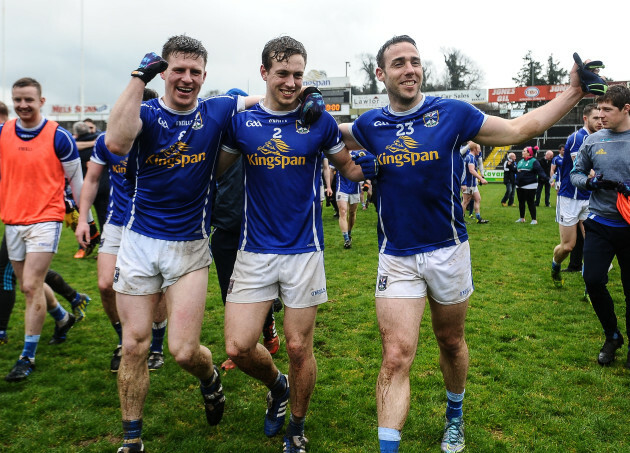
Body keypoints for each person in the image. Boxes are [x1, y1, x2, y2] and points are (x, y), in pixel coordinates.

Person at [338, 35, 596, 453]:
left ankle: (454, 416)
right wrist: (345, 157)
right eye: (399, 63)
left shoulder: (452, 113)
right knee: (396, 356)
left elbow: (518, 128)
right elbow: (325, 136)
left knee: (450, 341)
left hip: (448, 250)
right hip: (396, 257)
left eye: (415, 61)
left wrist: (573, 92)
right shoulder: (369, 126)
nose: (410, 69)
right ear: (380, 74)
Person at [104, 35, 261, 453]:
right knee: (135, 343)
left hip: (189, 248)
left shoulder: (217, 109)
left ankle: (209, 379)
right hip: (138, 242)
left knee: (183, 351)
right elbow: (117, 143)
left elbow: (272, 102)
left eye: (195, 72)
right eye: (178, 70)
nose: (187, 78)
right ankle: (132, 439)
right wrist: (139, 77)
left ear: (205, 75)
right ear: (164, 71)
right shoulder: (146, 112)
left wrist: (308, 96)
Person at [216, 35, 371, 453]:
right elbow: (213, 169)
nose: (290, 82)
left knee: (300, 347)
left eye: (298, 75)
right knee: (238, 346)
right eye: (282, 73)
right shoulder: (242, 122)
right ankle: (277, 385)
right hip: (254, 252)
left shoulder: (317, 121)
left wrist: (374, 167)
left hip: (304, 252)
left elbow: (348, 169)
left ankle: (296, 428)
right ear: (264, 72)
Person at [0, 77, 92, 382]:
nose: (23, 105)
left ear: (41, 101)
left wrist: (84, 219)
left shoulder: (59, 136)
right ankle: (62, 317)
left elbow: (78, 182)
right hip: (13, 220)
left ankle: (27, 356)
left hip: (46, 219)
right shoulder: (4, 133)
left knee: (30, 286)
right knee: (30, 284)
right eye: (18, 100)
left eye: (29, 99)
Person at [76, 88, 168, 373]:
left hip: (153, 224)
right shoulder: (108, 140)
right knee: (105, 285)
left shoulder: (164, 138)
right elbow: (91, 179)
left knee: (156, 292)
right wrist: (82, 219)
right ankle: (122, 340)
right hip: (117, 223)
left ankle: (155, 346)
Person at [210, 88, 281, 372]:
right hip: (225, 228)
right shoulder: (215, 144)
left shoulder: (259, 141)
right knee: (230, 292)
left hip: (257, 230)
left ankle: (266, 330)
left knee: (258, 291)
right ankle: (242, 345)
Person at [570, 85, 630, 368]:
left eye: (608, 110)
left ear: (626, 109)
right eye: (599, 110)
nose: (601, 115)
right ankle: (612, 335)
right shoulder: (593, 141)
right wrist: (590, 182)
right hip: (600, 223)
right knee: (593, 280)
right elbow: (575, 174)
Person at [551, 104, 602, 287]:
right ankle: (556, 265)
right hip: (569, 198)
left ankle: (591, 286)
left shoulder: (601, 138)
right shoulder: (577, 138)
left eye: (601, 117)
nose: (600, 121)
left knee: (593, 243)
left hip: (590, 198)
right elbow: (581, 170)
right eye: (596, 118)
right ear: (585, 119)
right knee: (568, 246)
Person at [335, 151, 363, 248]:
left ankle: (349, 232)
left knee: (352, 213)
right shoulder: (337, 153)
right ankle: (346, 239)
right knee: (342, 211)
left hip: (355, 187)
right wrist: (329, 186)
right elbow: (330, 169)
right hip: (341, 187)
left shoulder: (359, 152)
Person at [515, 146, 548, 224]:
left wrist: (547, 179)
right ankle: (522, 218)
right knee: (521, 202)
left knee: (530, 202)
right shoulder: (520, 161)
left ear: (529, 153)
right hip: (519, 185)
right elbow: (516, 170)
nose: (522, 152)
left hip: (530, 185)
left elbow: (540, 171)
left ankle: (534, 219)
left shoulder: (534, 161)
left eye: (524, 151)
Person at [461, 141, 489, 224]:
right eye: (479, 149)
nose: (480, 151)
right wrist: (482, 178)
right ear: (474, 149)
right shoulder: (470, 158)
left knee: (478, 199)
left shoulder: (472, 157)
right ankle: (461, 219)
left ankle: (478, 218)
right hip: (468, 184)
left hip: (473, 184)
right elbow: (471, 170)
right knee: (465, 201)